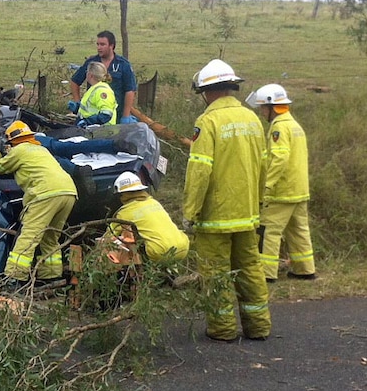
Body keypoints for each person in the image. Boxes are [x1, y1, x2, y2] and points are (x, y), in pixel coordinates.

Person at [183, 59, 270, 342]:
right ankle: (258, 326)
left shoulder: (207, 122)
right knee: (250, 270)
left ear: (207, 92)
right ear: (231, 87)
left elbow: (200, 170)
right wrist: (257, 204)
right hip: (247, 213)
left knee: (216, 274)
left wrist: (190, 212)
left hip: (214, 217)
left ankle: (222, 329)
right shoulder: (253, 119)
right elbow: (263, 166)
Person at [0, 121, 78, 287]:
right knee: (50, 236)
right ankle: (51, 275)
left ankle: (14, 277)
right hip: (68, 192)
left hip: (45, 194)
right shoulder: (41, 149)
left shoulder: (20, 150)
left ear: (12, 141)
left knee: (29, 235)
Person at [246, 84, 316, 282]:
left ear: (271, 107)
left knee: (268, 230)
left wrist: (267, 186)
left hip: (282, 191)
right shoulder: (295, 126)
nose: (261, 112)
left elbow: (279, 159)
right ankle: (305, 269)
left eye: (262, 108)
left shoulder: (278, 127)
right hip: (299, 190)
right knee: (299, 231)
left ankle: (266, 274)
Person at [106, 172, 189, 263]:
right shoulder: (154, 202)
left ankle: (138, 274)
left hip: (158, 251)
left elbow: (107, 238)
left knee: (123, 243)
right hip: (183, 247)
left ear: (121, 195)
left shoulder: (124, 213)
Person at [69, 30, 138, 124]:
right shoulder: (92, 62)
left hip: (115, 115)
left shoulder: (123, 65)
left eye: (102, 44)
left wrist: (125, 116)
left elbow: (130, 90)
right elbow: (75, 81)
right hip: (91, 118)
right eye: (97, 44)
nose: (99, 48)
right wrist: (78, 104)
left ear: (111, 45)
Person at [76, 61, 118, 127]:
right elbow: (91, 108)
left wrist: (87, 121)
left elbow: (106, 115)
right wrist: (76, 108)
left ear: (90, 75)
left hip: (102, 130)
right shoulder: (94, 88)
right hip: (93, 129)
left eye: (87, 71)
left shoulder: (102, 91)